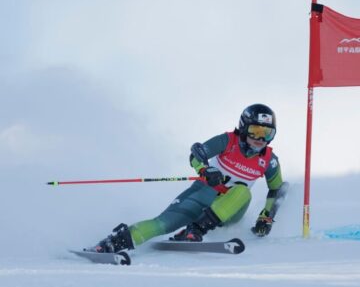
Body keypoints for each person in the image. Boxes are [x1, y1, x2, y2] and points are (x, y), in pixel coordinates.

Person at [88, 103, 287, 253]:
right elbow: (197, 153)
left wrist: (266, 216)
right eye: (255, 131)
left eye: (267, 134)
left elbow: (277, 189)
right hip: (202, 193)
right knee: (163, 223)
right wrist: (205, 170)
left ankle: (196, 230)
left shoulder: (269, 161)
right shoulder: (228, 141)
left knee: (242, 191)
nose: (260, 139)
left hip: (230, 209)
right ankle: (113, 243)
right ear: (244, 128)